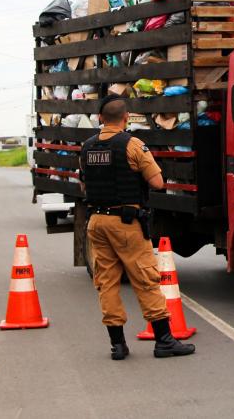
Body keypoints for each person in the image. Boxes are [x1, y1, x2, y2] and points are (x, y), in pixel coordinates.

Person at [79, 95, 195, 360]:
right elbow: (157, 182)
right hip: (126, 222)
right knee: (145, 278)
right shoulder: (132, 145)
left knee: (106, 282)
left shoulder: (86, 148)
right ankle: (164, 340)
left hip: (96, 221)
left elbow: (84, 186)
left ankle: (118, 345)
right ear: (125, 118)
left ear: (100, 118)